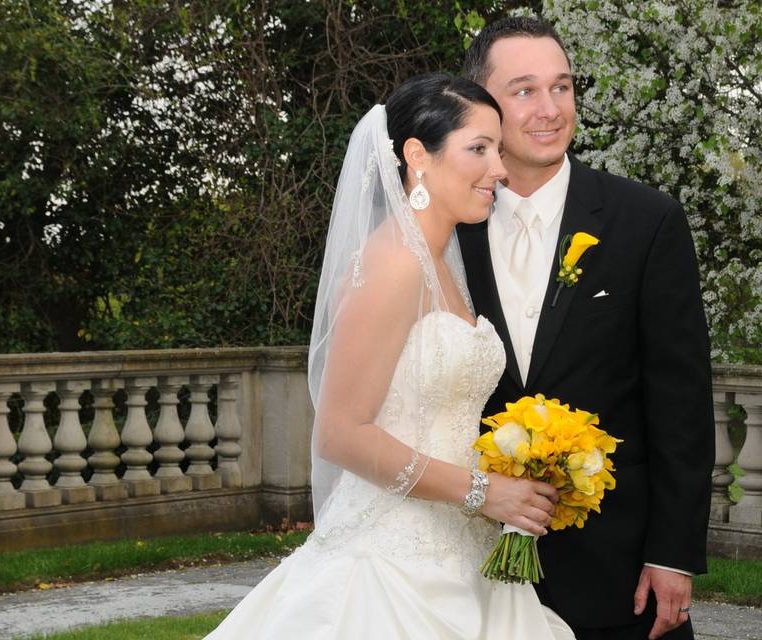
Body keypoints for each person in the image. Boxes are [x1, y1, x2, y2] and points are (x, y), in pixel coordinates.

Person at [203, 73, 576, 639]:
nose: (499, 170)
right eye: (479, 149)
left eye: (498, 150)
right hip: (392, 560)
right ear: (416, 156)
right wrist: (482, 491)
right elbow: (340, 434)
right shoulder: (394, 262)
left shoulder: (442, 263)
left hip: (462, 546)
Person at [457, 17, 716, 640]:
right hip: (465, 559)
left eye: (563, 87)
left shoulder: (645, 221)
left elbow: (681, 402)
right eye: (524, 90)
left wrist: (672, 553)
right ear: (482, 107)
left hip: (616, 568)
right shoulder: (446, 229)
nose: (550, 109)